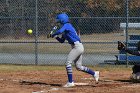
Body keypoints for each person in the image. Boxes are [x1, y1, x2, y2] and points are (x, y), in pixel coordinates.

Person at [51, 13, 99, 87]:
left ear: (62, 20)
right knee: (79, 67)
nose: (58, 22)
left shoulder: (67, 25)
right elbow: (61, 41)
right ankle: (94, 73)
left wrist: (54, 33)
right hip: (77, 47)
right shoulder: (65, 30)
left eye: (59, 20)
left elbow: (60, 31)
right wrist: (55, 36)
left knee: (68, 63)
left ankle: (70, 82)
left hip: (77, 47)